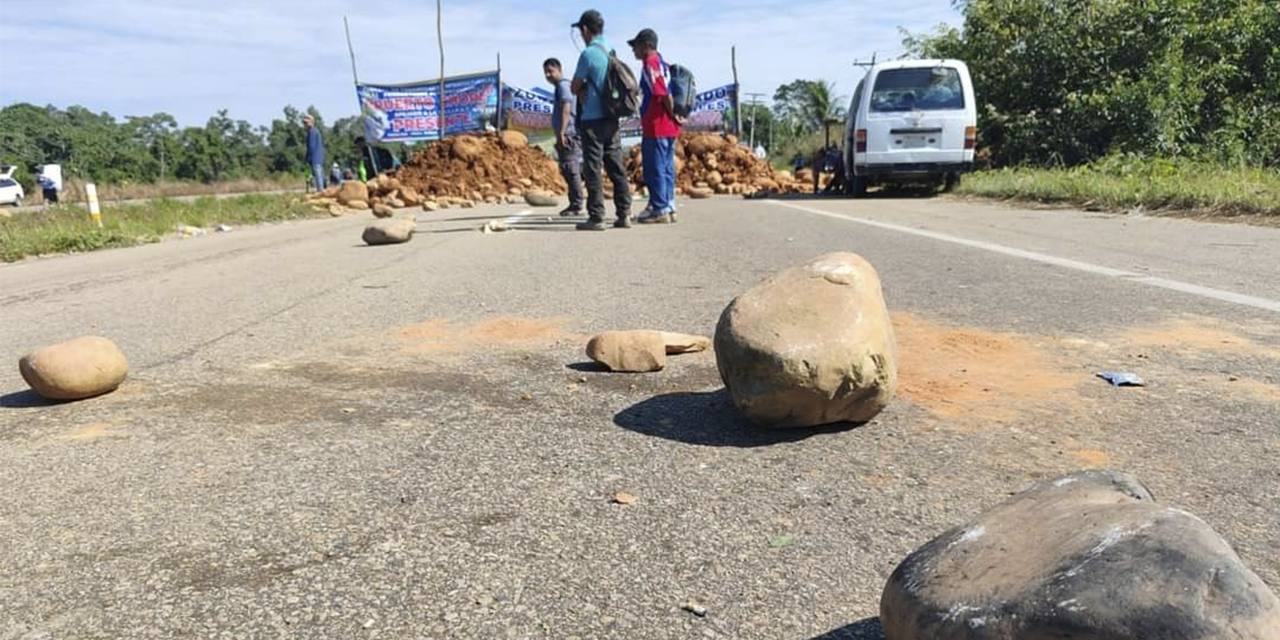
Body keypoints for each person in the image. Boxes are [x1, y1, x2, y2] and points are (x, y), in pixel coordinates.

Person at [570, 9, 631, 231]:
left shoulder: (588, 54)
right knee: (616, 167)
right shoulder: (611, 49)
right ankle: (624, 214)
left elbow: (574, 86)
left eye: (581, 31)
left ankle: (596, 217)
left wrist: (582, 87)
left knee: (593, 168)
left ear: (585, 30)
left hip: (592, 120)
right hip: (612, 117)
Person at [629, 28, 681, 225]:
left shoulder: (652, 63)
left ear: (647, 45)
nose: (634, 50)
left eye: (636, 46)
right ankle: (668, 206)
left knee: (654, 168)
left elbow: (662, 93)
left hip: (657, 124)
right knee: (666, 167)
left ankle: (659, 209)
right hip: (667, 126)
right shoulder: (663, 63)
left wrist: (671, 113)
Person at [543, 58, 584, 217]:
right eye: (546, 72)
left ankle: (576, 205)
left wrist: (562, 132)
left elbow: (566, 107)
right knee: (571, 169)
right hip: (570, 132)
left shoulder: (563, 85)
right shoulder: (563, 86)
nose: (548, 75)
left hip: (569, 134)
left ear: (559, 70)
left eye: (550, 71)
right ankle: (576, 203)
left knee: (570, 168)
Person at [303, 115, 325, 192]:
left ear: (311, 122)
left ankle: (320, 192)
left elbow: (311, 146)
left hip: (315, 158)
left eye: (306, 122)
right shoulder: (316, 131)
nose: (304, 124)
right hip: (319, 158)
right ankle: (321, 191)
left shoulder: (312, 131)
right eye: (304, 122)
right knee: (320, 175)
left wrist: (307, 158)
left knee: (318, 176)